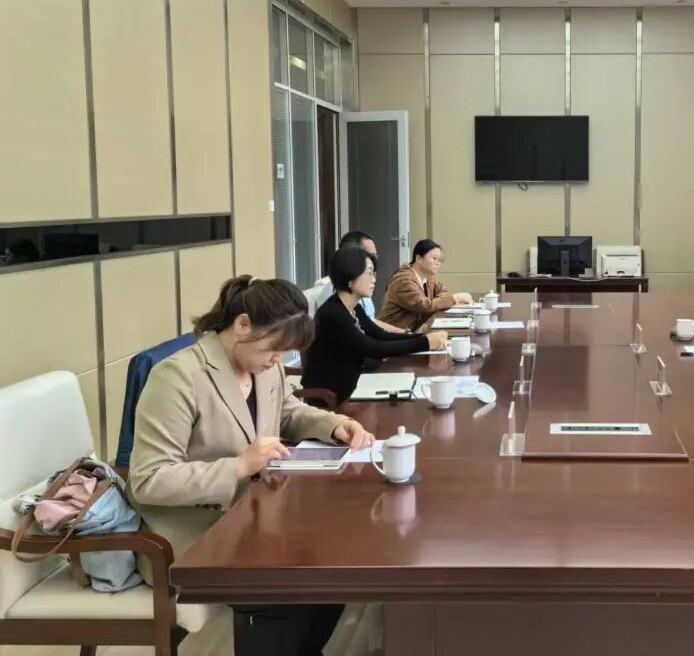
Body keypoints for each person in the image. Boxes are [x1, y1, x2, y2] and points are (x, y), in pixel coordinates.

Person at [128, 276, 375, 656]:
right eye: (274, 349)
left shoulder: (264, 366)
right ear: (242, 325)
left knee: (335, 565)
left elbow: (288, 411)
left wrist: (334, 424)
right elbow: (149, 480)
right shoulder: (178, 378)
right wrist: (239, 466)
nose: (278, 360)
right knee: (284, 589)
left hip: (260, 517)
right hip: (199, 531)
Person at [303, 247, 450, 403]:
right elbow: (373, 348)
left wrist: (424, 337)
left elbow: (381, 335)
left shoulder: (353, 307)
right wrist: (425, 343)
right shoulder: (333, 313)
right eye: (369, 273)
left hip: (358, 382)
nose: (374, 280)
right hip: (333, 394)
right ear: (350, 276)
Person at [379, 239, 472, 332]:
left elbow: (443, 291)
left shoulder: (427, 278)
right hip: (392, 334)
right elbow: (424, 306)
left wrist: (438, 302)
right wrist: (454, 298)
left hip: (410, 332)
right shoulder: (404, 280)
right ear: (418, 258)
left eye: (440, 260)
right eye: (434, 258)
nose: (438, 263)